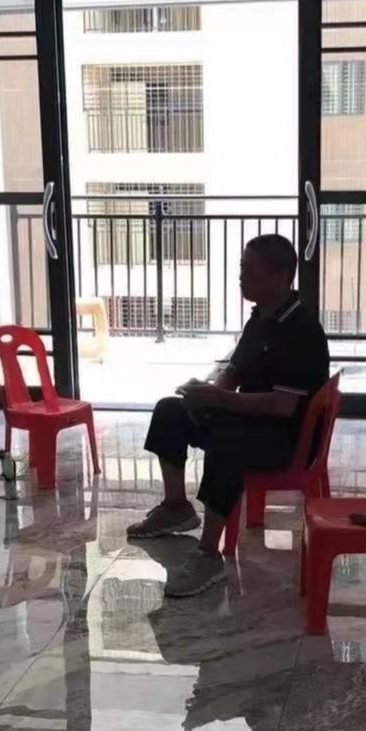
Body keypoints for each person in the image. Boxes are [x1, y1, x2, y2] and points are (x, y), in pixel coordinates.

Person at [127, 233, 330, 598]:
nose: (241, 277)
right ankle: (176, 506)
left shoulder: (302, 330)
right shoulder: (259, 319)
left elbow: (282, 406)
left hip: (286, 438)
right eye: (241, 268)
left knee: (227, 442)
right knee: (170, 410)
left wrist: (219, 399)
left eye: (250, 270)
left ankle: (208, 554)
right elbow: (234, 370)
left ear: (281, 277)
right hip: (252, 420)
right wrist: (206, 396)